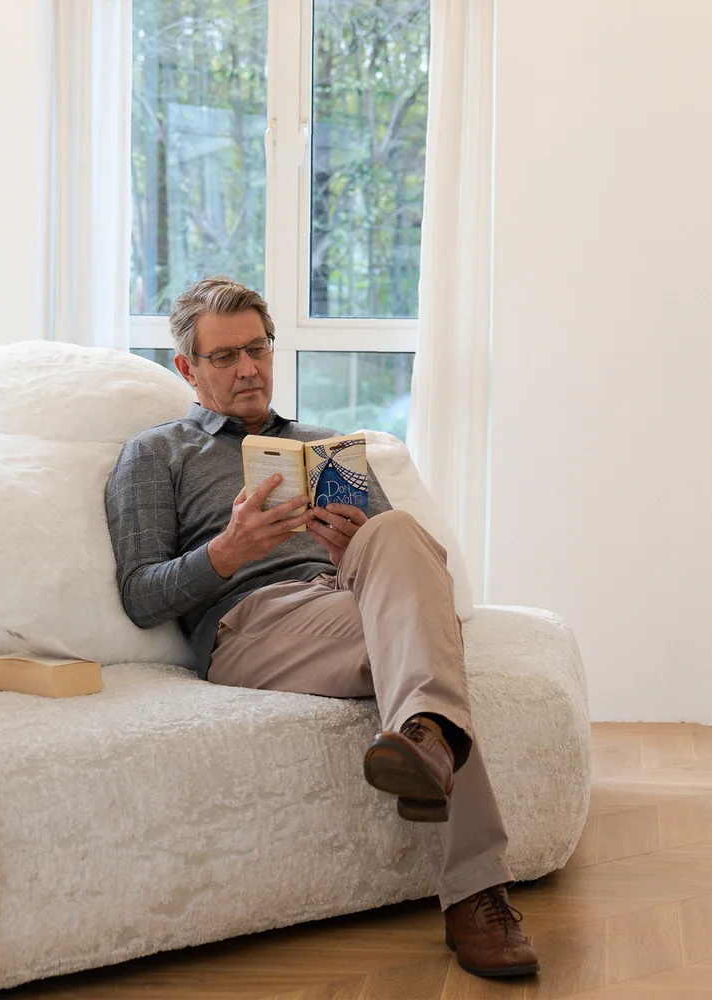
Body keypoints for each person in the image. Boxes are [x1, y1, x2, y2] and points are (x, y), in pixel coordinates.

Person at [103, 276, 537, 979]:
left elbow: (420, 570)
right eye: (225, 357)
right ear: (187, 368)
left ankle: (421, 737)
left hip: (351, 598)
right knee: (423, 649)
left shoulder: (329, 449)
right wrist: (225, 553)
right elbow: (140, 594)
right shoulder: (156, 456)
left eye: (258, 348)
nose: (248, 368)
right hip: (253, 624)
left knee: (395, 532)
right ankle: (477, 894)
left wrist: (352, 544)